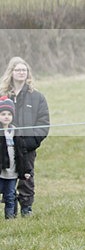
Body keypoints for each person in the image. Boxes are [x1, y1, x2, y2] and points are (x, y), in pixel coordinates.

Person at [0, 58, 49, 216]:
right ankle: (10, 210)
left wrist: (29, 142)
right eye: (17, 70)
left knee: (27, 176)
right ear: (11, 72)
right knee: (5, 177)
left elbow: (43, 123)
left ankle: (26, 208)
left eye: (24, 70)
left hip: (26, 147)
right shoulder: (3, 95)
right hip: (3, 146)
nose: (21, 73)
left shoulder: (37, 97)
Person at [0, 97, 33, 219]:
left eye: (9, 114)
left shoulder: (16, 133)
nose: (6, 117)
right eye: (3, 114)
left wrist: (26, 170)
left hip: (12, 173)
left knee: (10, 196)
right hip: (1, 172)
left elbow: (22, 154)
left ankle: (10, 219)